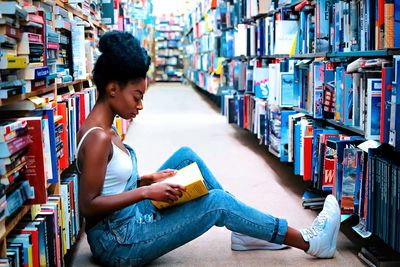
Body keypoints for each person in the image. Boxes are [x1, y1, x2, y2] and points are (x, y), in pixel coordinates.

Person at [76, 31, 341, 267]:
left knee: (186, 158)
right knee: (218, 203)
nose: (141, 105)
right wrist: (146, 191)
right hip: (118, 244)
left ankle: (245, 230)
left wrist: (147, 179)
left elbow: (108, 181)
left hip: (125, 221)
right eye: (137, 96)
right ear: (112, 89)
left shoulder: (102, 127)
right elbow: (88, 205)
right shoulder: (98, 138)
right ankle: (309, 241)